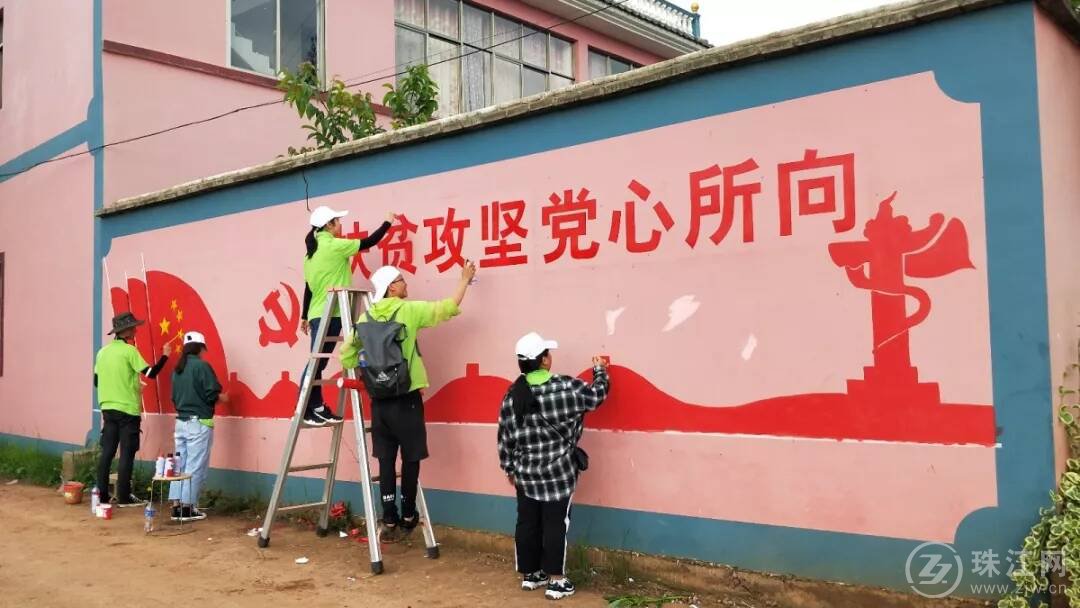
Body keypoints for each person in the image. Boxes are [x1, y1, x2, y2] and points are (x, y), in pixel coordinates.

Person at [340, 261, 477, 539]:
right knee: (411, 456)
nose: (405, 283)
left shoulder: (365, 319)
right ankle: (408, 511)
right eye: (401, 280)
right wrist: (464, 279)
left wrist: (368, 375)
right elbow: (447, 307)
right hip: (407, 397)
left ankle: (388, 515)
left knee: (386, 459)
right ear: (391, 287)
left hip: (379, 401)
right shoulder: (408, 311)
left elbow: (346, 353)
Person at [496, 332, 610, 601]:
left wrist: (509, 468)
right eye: (548, 353)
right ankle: (556, 581)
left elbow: (505, 435)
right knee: (555, 524)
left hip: (526, 474)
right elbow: (596, 396)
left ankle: (531, 574)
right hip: (559, 474)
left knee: (527, 522)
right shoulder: (565, 388)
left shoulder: (514, 394)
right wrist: (600, 371)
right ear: (545, 361)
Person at [300, 205, 394, 426]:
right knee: (316, 364)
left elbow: (308, 288)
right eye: (338, 222)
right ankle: (306, 408)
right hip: (331, 312)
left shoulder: (310, 255)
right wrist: (388, 222)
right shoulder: (333, 245)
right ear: (329, 226)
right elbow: (369, 242)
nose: (341, 225)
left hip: (316, 312)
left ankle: (317, 407)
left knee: (318, 363)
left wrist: (304, 316)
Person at [94, 312, 169, 507]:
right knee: (127, 453)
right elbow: (151, 373)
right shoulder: (130, 351)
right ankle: (124, 497)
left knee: (107, 452)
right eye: (133, 327)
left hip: (107, 408)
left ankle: (101, 496)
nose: (136, 330)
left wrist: (122, 386)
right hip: (127, 410)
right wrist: (165, 356)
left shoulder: (102, 352)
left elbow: (96, 381)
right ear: (125, 331)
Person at [168, 331, 228, 522]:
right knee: (194, 466)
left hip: (180, 422)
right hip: (199, 422)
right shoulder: (202, 366)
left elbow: (174, 397)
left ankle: (177, 506)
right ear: (201, 348)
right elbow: (212, 394)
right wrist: (224, 398)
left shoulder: (177, 369)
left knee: (179, 466)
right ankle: (188, 509)